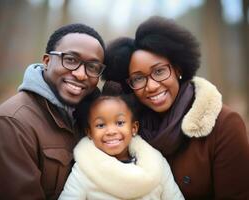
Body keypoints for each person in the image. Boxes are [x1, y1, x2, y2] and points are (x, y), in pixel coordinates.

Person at [102, 16, 249, 199]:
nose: (152, 86)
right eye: (138, 78)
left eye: (159, 71)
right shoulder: (127, 129)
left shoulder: (224, 125)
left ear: (178, 69)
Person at [0, 23, 106, 199]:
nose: (81, 74)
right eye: (70, 59)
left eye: (92, 66)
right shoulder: (11, 123)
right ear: (47, 61)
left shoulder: (91, 119)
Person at [58, 92, 184, 200]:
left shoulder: (156, 163)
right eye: (101, 125)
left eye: (119, 123)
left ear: (133, 128)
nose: (111, 131)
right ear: (90, 133)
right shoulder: (84, 170)